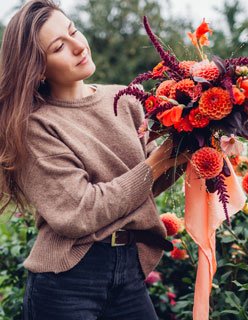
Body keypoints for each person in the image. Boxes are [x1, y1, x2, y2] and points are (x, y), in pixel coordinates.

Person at [0, 1, 189, 319]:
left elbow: (138, 190)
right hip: (68, 282)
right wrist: (157, 162)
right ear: (38, 67)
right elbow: (80, 212)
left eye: (73, 31)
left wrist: (189, 145)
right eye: (60, 46)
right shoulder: (36, 126)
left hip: (129, 271)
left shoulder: (126, 100)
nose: (78, 46)